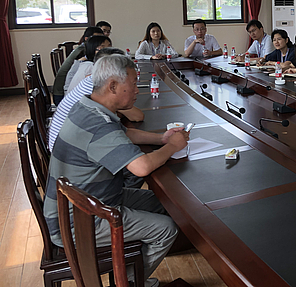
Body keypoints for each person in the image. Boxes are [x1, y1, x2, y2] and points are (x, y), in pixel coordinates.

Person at [43, 55, 189, 287]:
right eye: (133, 84)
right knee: (166, 230)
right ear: (112, 86)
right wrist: (173, 146)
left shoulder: (87, 106)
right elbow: (141, 168)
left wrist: (161, 139)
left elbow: (124, 134)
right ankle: (129, 282)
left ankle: (132, 270)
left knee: (164, 203)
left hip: (89, 200)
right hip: (77, 221)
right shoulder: (98, 124)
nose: (137, 90)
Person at [49, 48, 144, 152]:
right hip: (65, 150)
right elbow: (137, 116)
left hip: (63, 145)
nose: (137, 90)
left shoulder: (92, 80)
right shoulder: (97, 89)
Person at [53, 26, 104, 105]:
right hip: (61, 95)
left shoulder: (83, 48)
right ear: (87, 39)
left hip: (65, 92)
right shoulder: (83, 53)